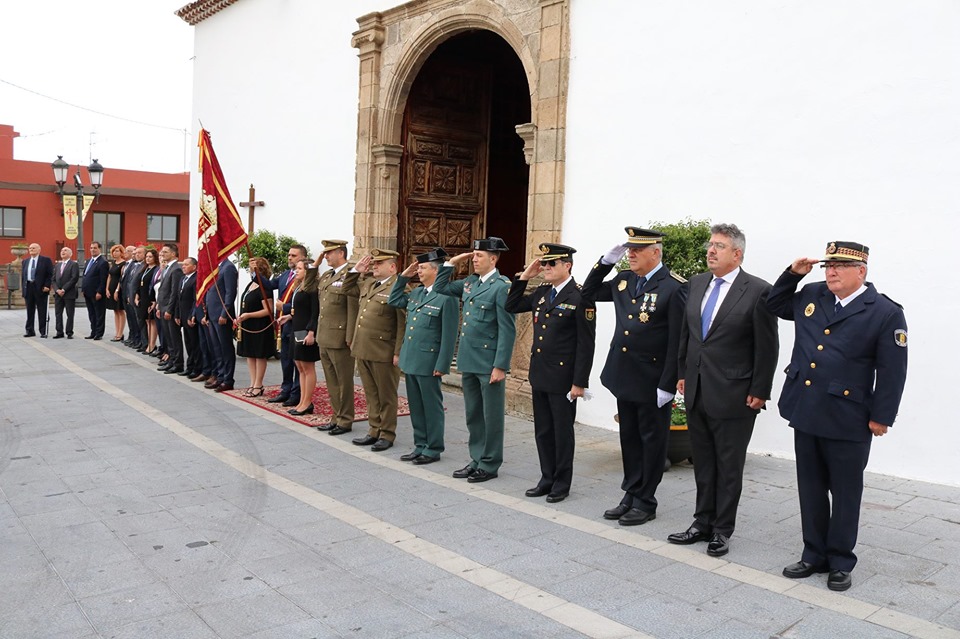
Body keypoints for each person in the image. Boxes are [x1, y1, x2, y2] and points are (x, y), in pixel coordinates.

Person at [767, 241, 907, 592]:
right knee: (810, 487)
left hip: (848, 416)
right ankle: (813, 553)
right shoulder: (812, 292)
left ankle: (841, 560)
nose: (830, 272)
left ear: (861, 271)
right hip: (806, 407)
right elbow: (774, 304)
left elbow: (893, 371)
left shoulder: (885, 312)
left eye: (840, 266)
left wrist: (882, 416)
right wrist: (792, 275)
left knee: (845, 492)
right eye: (828, 265)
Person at [668, 223, 779, 557]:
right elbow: (688, 334)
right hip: (698, 388)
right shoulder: (697, 284)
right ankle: (701, 522)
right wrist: (682, 372)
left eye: (719, 246)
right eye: (710, 245)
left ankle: (721, 529)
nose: (711, 251)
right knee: (703, 461)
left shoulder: (758, 290)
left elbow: (767, 346)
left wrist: (760, 390)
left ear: (737, 253)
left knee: (728, 465)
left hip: (735, 393)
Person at [580, 227, 687, 526]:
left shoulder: (675, 287)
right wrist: (605, 262)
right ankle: (630, 491)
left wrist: (668, 383)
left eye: (637, 250)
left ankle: (646, 500)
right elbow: (587, 293)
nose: (631, 254)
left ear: (656, 252)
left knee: (652, 440)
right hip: (624, 373)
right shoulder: (624, 280)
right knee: (629, 437)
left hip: (653, 379)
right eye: (628, 249)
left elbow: (679, 339)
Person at [505, 243, 596, 503]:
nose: (545, 268)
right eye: (544, 263)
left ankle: (562, 483)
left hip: (564, 379)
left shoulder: (580, 297)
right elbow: (511, 305)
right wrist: (524, 277)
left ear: (567, 265)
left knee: (562, 432)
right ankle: (547, 478)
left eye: (551, 264)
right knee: (543, 431)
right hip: (540, 374)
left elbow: (586, 344)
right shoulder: (543, 292)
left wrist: (579, 382)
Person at [434, 237, 516, 483]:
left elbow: (507, 329)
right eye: (474, 254)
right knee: (473, 414)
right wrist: (450, 263)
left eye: (479, 255)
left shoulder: (502, 286)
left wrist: (501, 365)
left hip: (488, 363)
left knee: (491, 415)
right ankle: (477, 458)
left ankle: (490, 463)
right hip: (469, 360)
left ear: (494, 258)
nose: (475, 259)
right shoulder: (470, 283)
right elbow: (441, 288)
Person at [388, 248, 459, 464]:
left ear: (436, 271)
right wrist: (403, 277)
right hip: (412, 359)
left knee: (431, 406)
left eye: (422, 267)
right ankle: (420, 444)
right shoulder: (417, 293)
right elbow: (394, 300)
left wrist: (443, 363)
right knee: (416, 406)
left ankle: (433, 447)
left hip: (429, 361)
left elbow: (449, 334)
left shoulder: (447, 297)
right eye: (417, 267)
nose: (418, 271)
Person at [344, 249, 406, 452]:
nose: (374, 266)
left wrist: (398, 352)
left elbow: (401, 324)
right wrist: (356, 271)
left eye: (379, 263)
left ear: (392, 267)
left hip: (383, 350)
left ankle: (387, 433)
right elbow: (347, 288)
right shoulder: (369, 283)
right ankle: (374, 429)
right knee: (371, 393)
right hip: (364, 348)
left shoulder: (399, 287)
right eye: (374, 263)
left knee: (386, 395)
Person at [316, 240, 359, 436]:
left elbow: (352, 308)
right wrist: (314, 265)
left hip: (340, 337)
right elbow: (309, 288)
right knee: (331, 381)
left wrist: (350, 336)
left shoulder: (351, 274)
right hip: (324, 335)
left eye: (329, 252)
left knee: (343, 381)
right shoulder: (326, 275)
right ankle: (336, 416)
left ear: (341, 253)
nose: (325, 256)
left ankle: (345, 419)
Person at [266, 245, 307, 407]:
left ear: (302, 257)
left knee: (299, 361)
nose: (289, 257)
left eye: (294, 255)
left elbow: (305, 305)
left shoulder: (306, 280)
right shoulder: (285, 275)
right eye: (289, 255)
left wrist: (284, 307)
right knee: (286, 360)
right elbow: (269, 285)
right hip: (284, 324)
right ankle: (286, 389)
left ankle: (297, 393)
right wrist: (256, 272)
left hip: (299, 326)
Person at [280, 260, 320, 416]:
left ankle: (307, 402)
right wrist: (289, 317)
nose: (296, 271)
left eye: (299, 268)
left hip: (306, 330)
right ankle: (302, 401)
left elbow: (314, 312)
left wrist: (311, 332)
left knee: (307, 367)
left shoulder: (312, 289)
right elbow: (300, 310)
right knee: (300, 367)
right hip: (297, 329)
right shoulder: (299, 286)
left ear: (308, 271)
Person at [236, 257, 275, 397]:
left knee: (259, 355)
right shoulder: (250, 285)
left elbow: (268, 310)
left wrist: (249, 315)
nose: (250, 271)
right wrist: (240, 316)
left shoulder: (265, 287)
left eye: (253, 268)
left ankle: (259, 384)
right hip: (248, 324)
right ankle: (252, 382)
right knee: (250, 355)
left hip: (260, 324)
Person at [204, 257, 239, 392]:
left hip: (221, 315)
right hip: (212, 314)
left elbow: (230, 292)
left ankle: (228, 379)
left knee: (225, 348)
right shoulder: (216, 267)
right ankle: (220, 376)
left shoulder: (228, 267)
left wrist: (225, 313)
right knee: (216, 348)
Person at [156, 244, 184, 374]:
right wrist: (158, 305)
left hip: (169, 309)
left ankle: (177, 363)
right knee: (168, 337)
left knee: (174, 337)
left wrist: (169, 310)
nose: (163, 254)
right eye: (162, 251)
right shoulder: (167, 268)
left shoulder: (176, 269)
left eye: (166, 252)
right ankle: (171, 360)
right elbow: (162, 289)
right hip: (162, 307)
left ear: (173, 254)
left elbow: (174, 292)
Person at [176, 257, 203, 378]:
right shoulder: (182, 279)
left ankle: (197, 368)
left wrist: (192, 314)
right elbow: (178, 298)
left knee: (194, 343)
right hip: (182, 315)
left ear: (194, 267)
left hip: (191, 316)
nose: (183, 266)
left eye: (186, 265)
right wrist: (177, 314)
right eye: (183, 264)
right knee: (188, 343)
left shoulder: (196, 279)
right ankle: (190, 366)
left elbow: (195, 300)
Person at [21, 242, 54, 338]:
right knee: (29, 310)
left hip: (41, 288)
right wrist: (23, 289)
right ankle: (29, 330)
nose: (31, 249)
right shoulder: (25, 261)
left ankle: (43, 331)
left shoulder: (46, 260)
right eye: (30, 248)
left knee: (42, 310)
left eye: (34, 248)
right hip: (29, 287)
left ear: (39, 250)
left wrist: (47, 285)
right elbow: (23, 276)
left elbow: (50, 274)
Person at [82, 241, 110, 340]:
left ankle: (99, 333)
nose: (92, 250)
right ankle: (93, 331)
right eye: (91, 248)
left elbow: (103, 279)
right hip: (88, 292)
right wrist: (83, 289)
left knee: (99, 314)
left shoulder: (103, 262)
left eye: (95, 248)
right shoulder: (89, 261)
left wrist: (99, 291)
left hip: (97, 293)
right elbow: (85, 275)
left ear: (99, 249)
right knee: (91, 314)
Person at [136, 248, 160, 354]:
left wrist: (153, 300)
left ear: (155, 258)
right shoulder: (145, 268)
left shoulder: (156, 269)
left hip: (150, 298)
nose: (148, 259)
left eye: (150, 257)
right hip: (142, 297)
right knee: (146, 321)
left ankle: (152, 345)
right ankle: (148, 343)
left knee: (152, 322)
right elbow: (139, 282)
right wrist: (137, 295)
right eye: (147, 257)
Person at [51, 246, 78, 339]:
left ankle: (69, 332)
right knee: (58, 313)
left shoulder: (73, 264)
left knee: (69, 313)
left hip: (69, 293)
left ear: (70, 254)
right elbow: (53, 279)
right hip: (58, 293)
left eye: (65, 250)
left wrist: (64, 289)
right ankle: (59, 332)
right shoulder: (57, 265)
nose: (63, 252)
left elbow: (74, 278)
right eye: (62, 250)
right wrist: (57, 290)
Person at [121, 245, 144, 349]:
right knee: (131, 319)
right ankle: (134, 338)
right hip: (128, 295)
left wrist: (135, 296)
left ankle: (140, 340)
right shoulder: (133, 265)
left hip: (136, 297)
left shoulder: (143, 266)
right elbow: (128, 281)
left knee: (137, 320)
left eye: (138, 253)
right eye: (135, 253)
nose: (136, 255)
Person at [105, 244, 127, 341]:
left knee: (120, 310)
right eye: (114, 251)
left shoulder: (124, 264)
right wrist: (107, 289)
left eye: (117, 251)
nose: (115, 253)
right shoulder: (113, 263)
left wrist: (117, 290)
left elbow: (121, 278)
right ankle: (116, 331)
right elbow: (109, 276)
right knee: (115, 311)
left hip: (118, 289)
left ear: (121, 252)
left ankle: (120, 333)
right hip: (111, 288)